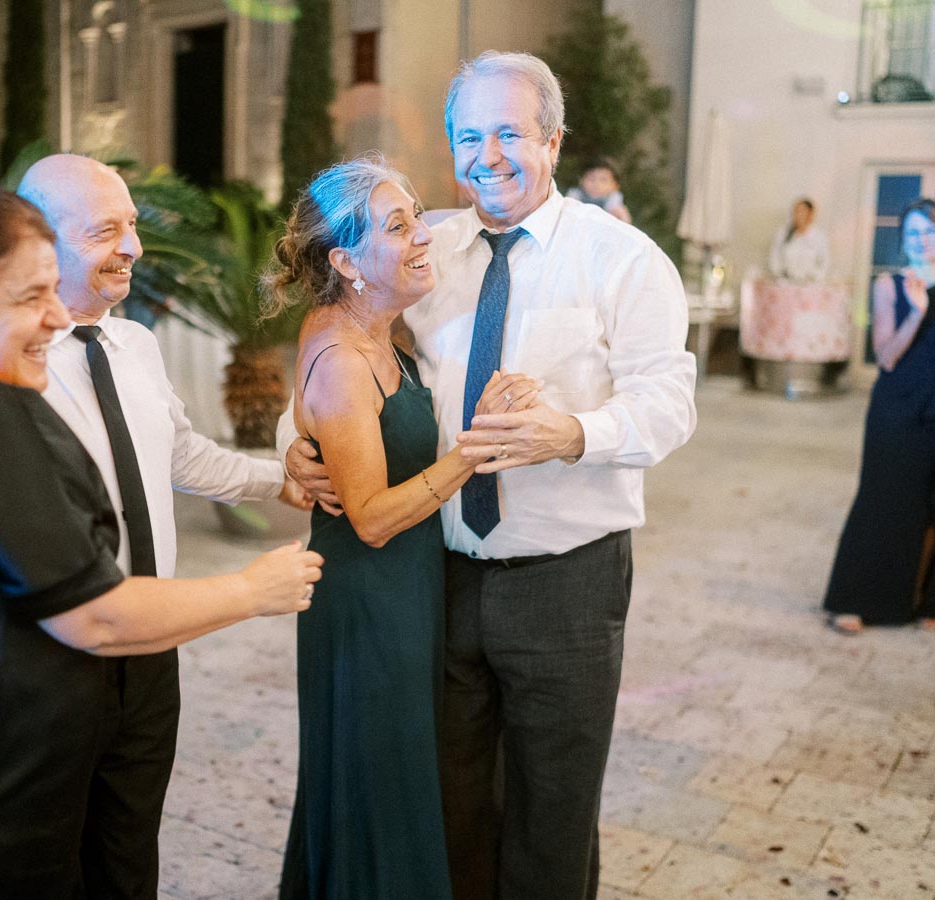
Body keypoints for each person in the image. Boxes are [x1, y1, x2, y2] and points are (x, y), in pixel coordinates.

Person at [0, 155, 313, 898]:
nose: (53, 316)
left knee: (124, 858)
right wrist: (253, 588)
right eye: (29, 296)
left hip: (51, 714)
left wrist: (276, 478)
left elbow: (174, 453)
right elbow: (93, 616)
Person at [282, 51, 696, 899]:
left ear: (553, 140)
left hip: (566, 580)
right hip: (439, 575)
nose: (489, 156)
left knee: (552, 808)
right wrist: (298, 437)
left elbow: (669, 404)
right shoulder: (426, 245)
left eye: (510, 133)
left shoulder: (622, 259)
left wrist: (573, 433)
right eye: (470, 137)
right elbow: (348, 339)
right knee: (453, 802)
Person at [266, 156, 540, 899]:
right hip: (369, 602)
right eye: (398, 225)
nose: (423, 234)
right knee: (378, 784)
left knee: (389, 776)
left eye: (417, 214)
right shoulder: (341, 357)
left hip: (406, 591)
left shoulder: (376, 330)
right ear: (347, 263)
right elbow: (373, 518)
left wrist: (296, 441)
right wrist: (474, 450)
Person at [824, 198, 935, 635]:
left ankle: (925, 602)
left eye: (930, 231)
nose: (921, 240)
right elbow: (886, 357)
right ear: (904, 240)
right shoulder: (889, 285)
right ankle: (854, 600)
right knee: (880, 498)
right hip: (896, 406)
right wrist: (917, 311)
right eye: (913, 233)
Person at [768, 197, 830, 283]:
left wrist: (814, 277)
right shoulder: (783, 234)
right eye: (795, 211)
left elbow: (824, 262)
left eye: (801, 211)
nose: (797, 215)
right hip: (786, 283)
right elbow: (774, 258)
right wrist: (780, 275)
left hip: (810, 284)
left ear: (810, 214)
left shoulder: (819, 237)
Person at [565, 157, 632, 224]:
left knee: (621, 212)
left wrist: (622, 218)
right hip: (577, 225)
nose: (596, 184)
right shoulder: (575, 193)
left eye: (603, 180)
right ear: (581, 181)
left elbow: (614, 210)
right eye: (591, 179)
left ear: (615, 186)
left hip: (602, 226)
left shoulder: (613, 197)